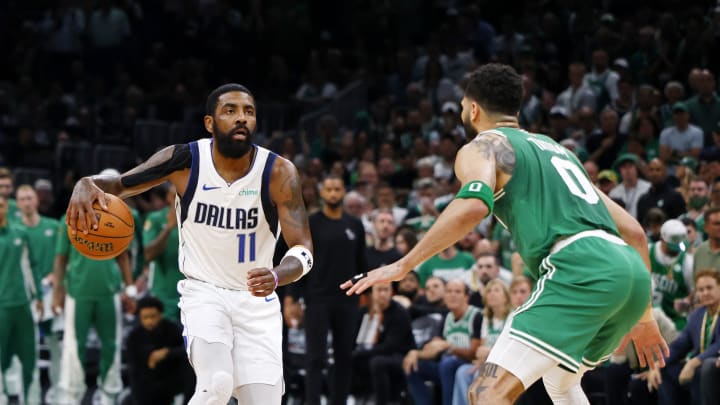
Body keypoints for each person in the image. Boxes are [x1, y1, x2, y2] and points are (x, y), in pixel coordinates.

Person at [342, 63, 668, 405]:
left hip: (581, 267)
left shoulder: (483, 146)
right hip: (629, 272)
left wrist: (404, 264)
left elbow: (473, 204)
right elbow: (634, 231)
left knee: (486, 393)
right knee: (560, 381)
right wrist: (644, 315)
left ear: (472, 108)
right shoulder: (560, 151)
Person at [65, 83, 314, 405]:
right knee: (217, 383)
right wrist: (85, 184)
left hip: (256, 303)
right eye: (230, 111)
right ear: (210, 123)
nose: (241, 118)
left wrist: (279, 274)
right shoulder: (185, 159)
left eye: (248, 112)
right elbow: (118, 184)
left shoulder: (279, 172)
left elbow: (304, 250)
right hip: (204, 293)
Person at [287, 175, 366, 405]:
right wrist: (292, 297)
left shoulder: (355, 225)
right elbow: (301, 259)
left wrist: (366, 295)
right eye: (329, 189)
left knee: (344, 357)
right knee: (316, 358)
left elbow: (362, 262)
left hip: (348, 299)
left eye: (337, 189)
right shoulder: (312, 223)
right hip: (317, 298)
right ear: (322, 193)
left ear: (344, 192)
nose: (333, 193)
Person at [53, 214, 134, 405]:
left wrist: (129, 289)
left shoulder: (114, 213)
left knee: (111, 346)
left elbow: (123, 256)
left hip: (109, 291)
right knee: (73, 346)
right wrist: (57, 291)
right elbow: (60, 258)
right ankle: (71, 396)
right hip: (77, 292)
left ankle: (109, 396)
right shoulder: (68, 218)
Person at [647, 269, 720, 405]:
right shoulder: (697, 315)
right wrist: (658, 364)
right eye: (701, 289)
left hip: (713, 367)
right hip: (698, 366)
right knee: (665, 372)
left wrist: (693, 362)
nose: (705, 293)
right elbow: (680, 345)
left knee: (704, 369)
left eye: (709, 288)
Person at [15, 184, 61, 400]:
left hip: (52, 295)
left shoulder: (53, 226)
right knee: (27, 352)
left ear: (36, 200)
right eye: (21, 199)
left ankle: (59, 397)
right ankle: (29, 398)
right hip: (25, 298)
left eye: (29, 198)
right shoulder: (12, 230)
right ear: (17, 202)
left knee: (57, 349)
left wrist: (54, 277)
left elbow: (62, 258)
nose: (26, 202)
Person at [0, 194, 43, 404]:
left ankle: (32, 400)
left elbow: (31, 266)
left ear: (6, 207)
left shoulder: (21, 233)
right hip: (1, 308)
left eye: (1, 205)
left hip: (23, 304)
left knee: (29, 358)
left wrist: (39, 297)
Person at [126, 296, 194, 405]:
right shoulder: (134, 337)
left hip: (173, 379)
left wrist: (167, 353)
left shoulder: (171, 328)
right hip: (148, 385)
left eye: (153, 316)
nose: (149, 321)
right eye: (145, 317)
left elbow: (189, 349)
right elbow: (134, 369)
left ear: (160, 315)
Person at [142, 183, 184, 321]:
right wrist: (168, 228)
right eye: (175, 195)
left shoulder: (199, 219)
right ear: (168, 198)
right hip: (164, 297)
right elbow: (148, 255)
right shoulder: (156, 219)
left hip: (194, 295)